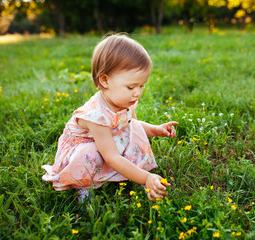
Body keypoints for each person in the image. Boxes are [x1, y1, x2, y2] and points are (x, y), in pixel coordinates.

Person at [42, 34, 178, 202]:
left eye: (142, 85)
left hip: (109, 141)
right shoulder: (96, 116)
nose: (138, 93)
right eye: (131, 86)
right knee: (90, 154)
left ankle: (135, 172)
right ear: (105, 80)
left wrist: (156, 130)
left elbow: (130, 124)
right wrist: (146, 177)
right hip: (86, 149)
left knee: (133, 130)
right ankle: (84, 186)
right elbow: (111, 157)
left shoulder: (124, 99)